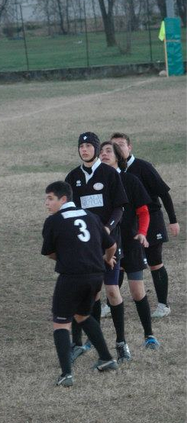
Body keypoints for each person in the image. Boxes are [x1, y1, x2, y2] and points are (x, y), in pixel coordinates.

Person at [42, 181, 119, 387]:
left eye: (50, 198)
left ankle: (66, 374)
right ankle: (106, 358)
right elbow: (112, 245)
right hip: (95, 276)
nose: (46, 203)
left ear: (63, 199)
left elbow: (49, 252)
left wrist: (67, 257)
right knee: (83, 315)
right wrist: (106, 258)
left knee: (61, 322)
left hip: (72, 277)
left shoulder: (54, 221)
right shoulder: (91, 217)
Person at [64, 132, 130, 363]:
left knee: (112, 290)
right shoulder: (72, 177)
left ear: (95, 148)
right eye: (81, 146)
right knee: (88, 293)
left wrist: (108, 229)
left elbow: (120, 208)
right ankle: (83, 342)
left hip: (110, 243)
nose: (84, 150)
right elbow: (69, 210)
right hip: (86, 247)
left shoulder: (110, 173)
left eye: (88, 146)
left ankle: (121, 343)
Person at [110, 132, 180, 318]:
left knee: (155, 262)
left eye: (121, 144)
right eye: (114, 145)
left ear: (129, 147)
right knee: (121, 263)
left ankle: (163, 305)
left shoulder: (143, 167)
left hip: (152, 221)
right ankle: (111, 303)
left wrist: (173, 220)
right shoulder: (112, 172)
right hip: (127, 225)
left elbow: (164, 194)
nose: (118, 148)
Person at [99, 142, 160, 350]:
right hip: (108, 244)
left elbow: (143, 211)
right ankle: (101, 338)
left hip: (131, 242)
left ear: (118, 156)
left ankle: (149, 335)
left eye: (108, 151)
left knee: (136, 290)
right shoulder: (96, 181)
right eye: (101, 151)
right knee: (108, 290)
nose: (104, 154)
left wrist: (142, 233)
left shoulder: (130, 180)